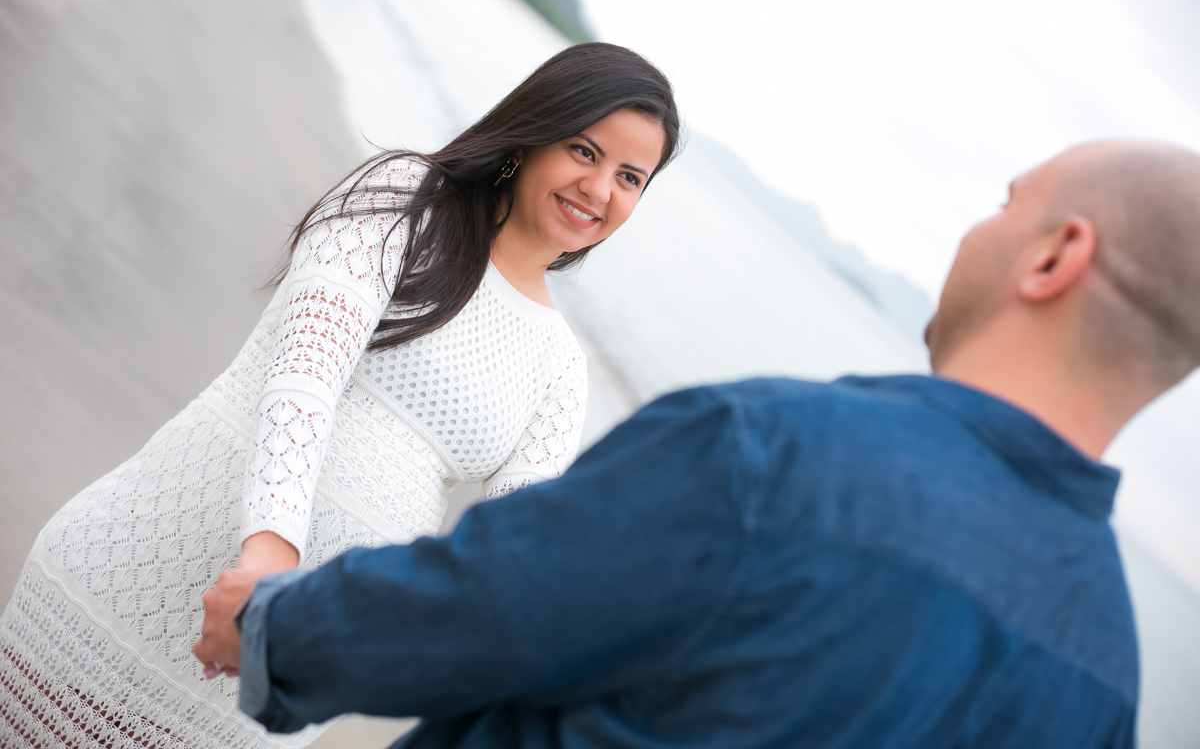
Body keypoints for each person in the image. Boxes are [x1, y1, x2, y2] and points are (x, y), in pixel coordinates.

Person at [196, 140, 1200, 748]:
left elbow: (487, 603)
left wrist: (277, 627)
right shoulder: (1109, 683)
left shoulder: (770, 454)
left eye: (1006, 204)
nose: (977, 231)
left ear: (1056, 255)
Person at [0, 42, 681, 749]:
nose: (599, 189)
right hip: (130, 573)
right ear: (535, 132)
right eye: (583, 150)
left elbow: (504, 560)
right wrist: (268, 561)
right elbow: (305, 378)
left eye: (629, 177)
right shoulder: (407, 200)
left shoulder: (561, 368)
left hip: (268, 676)